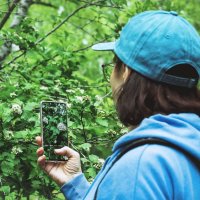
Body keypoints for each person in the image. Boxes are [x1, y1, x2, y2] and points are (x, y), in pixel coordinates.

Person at [36, 10, 200, 200]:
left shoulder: (139, 167)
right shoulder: (188, 149)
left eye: (113, 65)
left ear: (126, 73)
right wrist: (75, 185)